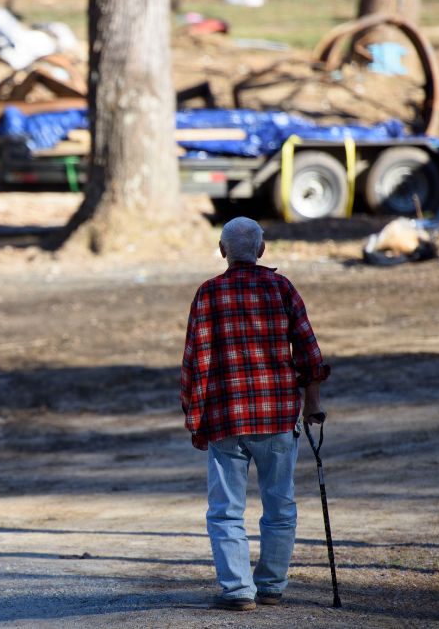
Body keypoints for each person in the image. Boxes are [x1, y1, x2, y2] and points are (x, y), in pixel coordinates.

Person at [179, 217, 331, 611]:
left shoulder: (209, 293)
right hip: (277, 415)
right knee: (280, 504)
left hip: (226, 418)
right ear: (262, 250)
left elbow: (195, 362)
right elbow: (310, 353)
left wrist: (195, 418)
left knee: (226, 510)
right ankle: (270, 586)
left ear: (222, 249)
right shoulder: (281, 288)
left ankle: (237, 591)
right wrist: (312, 403)